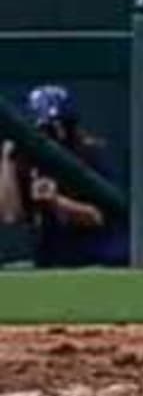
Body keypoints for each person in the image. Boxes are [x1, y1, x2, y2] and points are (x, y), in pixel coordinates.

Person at [1, 84, 124, 265]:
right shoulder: (25, 160)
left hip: (98, 256)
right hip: (53, 257)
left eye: (55, 128)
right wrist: (7, 159)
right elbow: (11, 216)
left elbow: (97, 217)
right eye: (41, 130)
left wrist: (56, 202)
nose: (49, 136)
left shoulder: (90, 155)